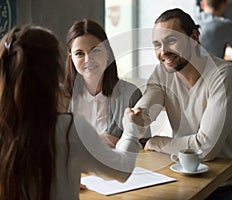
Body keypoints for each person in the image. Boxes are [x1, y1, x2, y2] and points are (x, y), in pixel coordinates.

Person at [127, 8, 232, 199]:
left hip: (230, 186)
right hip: (186, 179)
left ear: (194, 37)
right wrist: (136, 119)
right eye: (157, 45)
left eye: (172, 41)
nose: (163, 51)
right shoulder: (162, 73)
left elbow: (205, 149)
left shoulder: (224, 76)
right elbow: (147, 108)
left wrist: (155, 142)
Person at [0, 25, 142, 200]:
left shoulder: (6, 128)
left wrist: (64, 177)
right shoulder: (69, 129)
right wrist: (131, 128)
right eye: (79, 53)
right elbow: (121, 169)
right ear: (55, 70)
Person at [64, 18, 149, 146]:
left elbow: (145, 146)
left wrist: (115, 142)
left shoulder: (131, 94)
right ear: (71, 57)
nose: (88, 59)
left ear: (108, 52)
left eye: (95, 50)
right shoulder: (61, 97)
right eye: (80, 53)